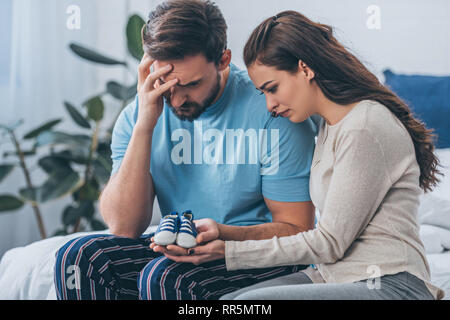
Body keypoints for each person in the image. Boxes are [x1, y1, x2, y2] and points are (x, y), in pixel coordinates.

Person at [169, 10, 446, 300]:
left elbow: (330, 242)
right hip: (333, 276)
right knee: (228, 303)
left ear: (305, 68)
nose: (269, 105)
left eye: (272, 89)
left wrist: (229, 251)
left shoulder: (365, 125)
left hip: (389, 282)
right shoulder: (327, 127)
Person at [53, 1, 317, 300]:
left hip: (253, 252)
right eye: (166, 83)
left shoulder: (273, 111)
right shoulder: (141, 113)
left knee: (164, 277)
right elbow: (124, 226)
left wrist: (223, 235)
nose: (176, 100)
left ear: (223, 60)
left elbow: (298, 229)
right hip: (180, 250)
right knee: (78, 258)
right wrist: (144, 125)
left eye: (191, 84)